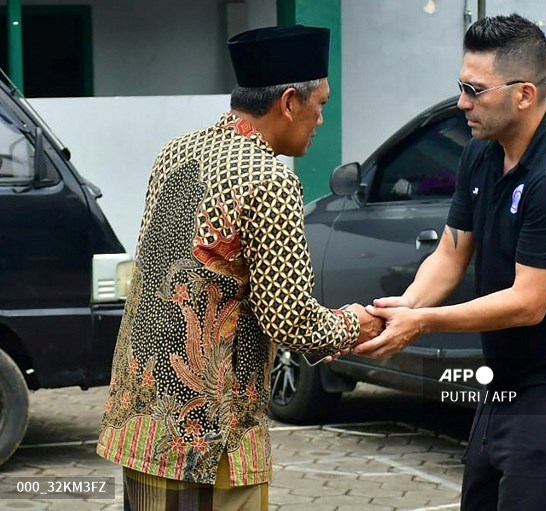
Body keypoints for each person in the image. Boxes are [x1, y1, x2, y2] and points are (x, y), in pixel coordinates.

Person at [96, 25, 382, 510]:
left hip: (142, 420)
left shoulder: (176, 152)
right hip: (212, 438)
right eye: (320, 105)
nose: (320, 120)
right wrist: (357, 324)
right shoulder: (270, 179)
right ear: (288, 102)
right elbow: (289, 319)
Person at [354, 14, 546, 511]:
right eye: (461, 87)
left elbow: (527, 304)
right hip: (502, 379)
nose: (462, 103)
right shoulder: (481, 153)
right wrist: (400, 311)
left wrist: (423, 323)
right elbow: (450, 254)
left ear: (524, 95)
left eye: (475, 90)